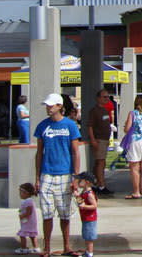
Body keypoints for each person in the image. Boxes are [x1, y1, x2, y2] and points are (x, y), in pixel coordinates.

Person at [34, 93, 82, 257]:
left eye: (51, 105)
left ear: (60, 106)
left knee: (64, 212)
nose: (49, 108)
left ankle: (67, 246)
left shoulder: (70, 126)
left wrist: (76, 177)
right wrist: (37, 178)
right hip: (47, 173)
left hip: (65, 173)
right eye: (47, 105)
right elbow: (39, 153)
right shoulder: (42, 126)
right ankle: (46, 247)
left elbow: (76, 152)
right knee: (47, 213)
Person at [123, 96, 142, 199]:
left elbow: (127, 129)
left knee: (134, 168)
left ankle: (136, 191)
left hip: (135, 141)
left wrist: (125, 126)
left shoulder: (132, 113)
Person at [87, 89, 113, 195]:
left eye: (108, 97)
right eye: (104, 97)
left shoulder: (105, 110)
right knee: (100, 162)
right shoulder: (94, 111)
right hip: (99, 140)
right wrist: (93, 139)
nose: (107, 99)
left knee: (101, 162)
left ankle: (97, 183)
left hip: (105, 139)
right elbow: (90, 126)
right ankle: (101, 185)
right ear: (98, 98)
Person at [73, 172, 98, 257]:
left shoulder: (90, 194)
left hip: (90, 218)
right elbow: (81, 202)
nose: (78, 182)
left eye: (80, 180)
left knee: (89, 236)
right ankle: (87, 251)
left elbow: (94, 206)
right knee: (86, 235)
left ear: (87, 182)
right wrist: (77, 196)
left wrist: (85, 206)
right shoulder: (84, 192)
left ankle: (90, 253)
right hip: (85, 217)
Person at [15, 182, 39, 255]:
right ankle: (36, 248)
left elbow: (29, 211)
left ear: (27, 193)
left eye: (21, 192)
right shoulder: (28, 201)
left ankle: (24, 248)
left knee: (22, 235)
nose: (20, 194)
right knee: (32, 235)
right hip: (30, 222)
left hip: (28, 222)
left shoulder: (28, 201)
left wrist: (23, 215)